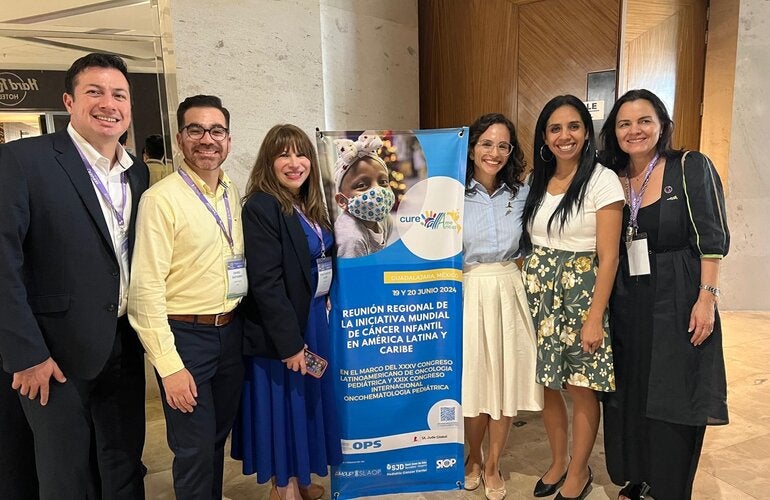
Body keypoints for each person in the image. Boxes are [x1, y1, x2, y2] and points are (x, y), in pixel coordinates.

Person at [0, 52, 148, 499]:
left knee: (123, 459)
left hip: (122, 342)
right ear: (69, 100)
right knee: (66, 472)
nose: (109, 103)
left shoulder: (136, 172)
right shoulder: (23, 161)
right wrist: (26, 354)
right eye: (95, 92)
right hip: (53, 354)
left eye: (119, 94)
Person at [599, 89, 729, 500]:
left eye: (644, 121)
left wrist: (706, 298)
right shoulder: (610, 174)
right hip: (626, 296)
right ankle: (638, 475)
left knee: (675, 390)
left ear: (661, 125)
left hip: (678, 291)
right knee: (631, 387)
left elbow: (711, 237)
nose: (634, 130)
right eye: (624, 123)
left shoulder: (689, 166)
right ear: (614, 131)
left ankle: (669, 486)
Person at [128, 94, 245, 499]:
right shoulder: (160, 200)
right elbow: (144, 292)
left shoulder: (231, 190)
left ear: (229, 140)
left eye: (216, 130)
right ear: (180, 139)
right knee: (193, 448)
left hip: (230, 332)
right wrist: (169, 366)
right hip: (186, 338)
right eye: (195, 130)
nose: (206, 139)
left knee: (216, 440)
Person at [231, 124, 342, 500]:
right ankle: (285, 486)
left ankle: (303, 478)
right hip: (285, 327)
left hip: (313, 318)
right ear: (269, 161)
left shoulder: (308, 204)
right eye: (284, 155)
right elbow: (266, 284)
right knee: (285, 404)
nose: (295, 163)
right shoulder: (262, 205)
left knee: (307, 403)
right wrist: (290, 345)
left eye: (301, 154)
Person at [522, 95, 624, 500]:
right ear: (545, 137)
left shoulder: (602, 180)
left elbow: (610, 255)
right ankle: (558, 460)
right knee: (549, 385)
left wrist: (595, 317)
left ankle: (579, 470)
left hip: (581, 294)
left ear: (587, 132)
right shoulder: (538, 179)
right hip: (539, 295)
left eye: (573, 126)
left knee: (581, 386)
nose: (565, 136)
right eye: (555, 128)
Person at [461, 113, 543, 500]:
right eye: (487, 144)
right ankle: (471, 458)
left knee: (506, 379)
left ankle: (493, 463)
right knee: (474, 379)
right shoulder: (453, 194)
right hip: (468, 288)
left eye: (503, 145)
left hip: (510, 287)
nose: (494, 153)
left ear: (511, 152)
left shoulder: (522, 194)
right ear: (472, 146)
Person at [333, 131, 395, 258]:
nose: (377, 191)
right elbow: (353, 276)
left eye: (383, 182)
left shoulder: (385, 220)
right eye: (362, 185)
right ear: (342, 200)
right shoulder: (351, 238)